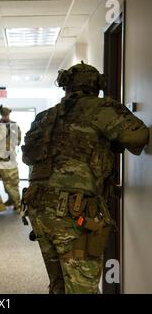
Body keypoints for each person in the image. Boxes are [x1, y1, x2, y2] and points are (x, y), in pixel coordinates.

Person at [21, 61, 149, 294]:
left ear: (66, 87)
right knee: (82, 288)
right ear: (96, 86)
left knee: (59, 283)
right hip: (73, 213)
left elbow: (28, 158)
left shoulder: (45, 117)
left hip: (38, 208)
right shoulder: (101, 109)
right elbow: (139, 136)